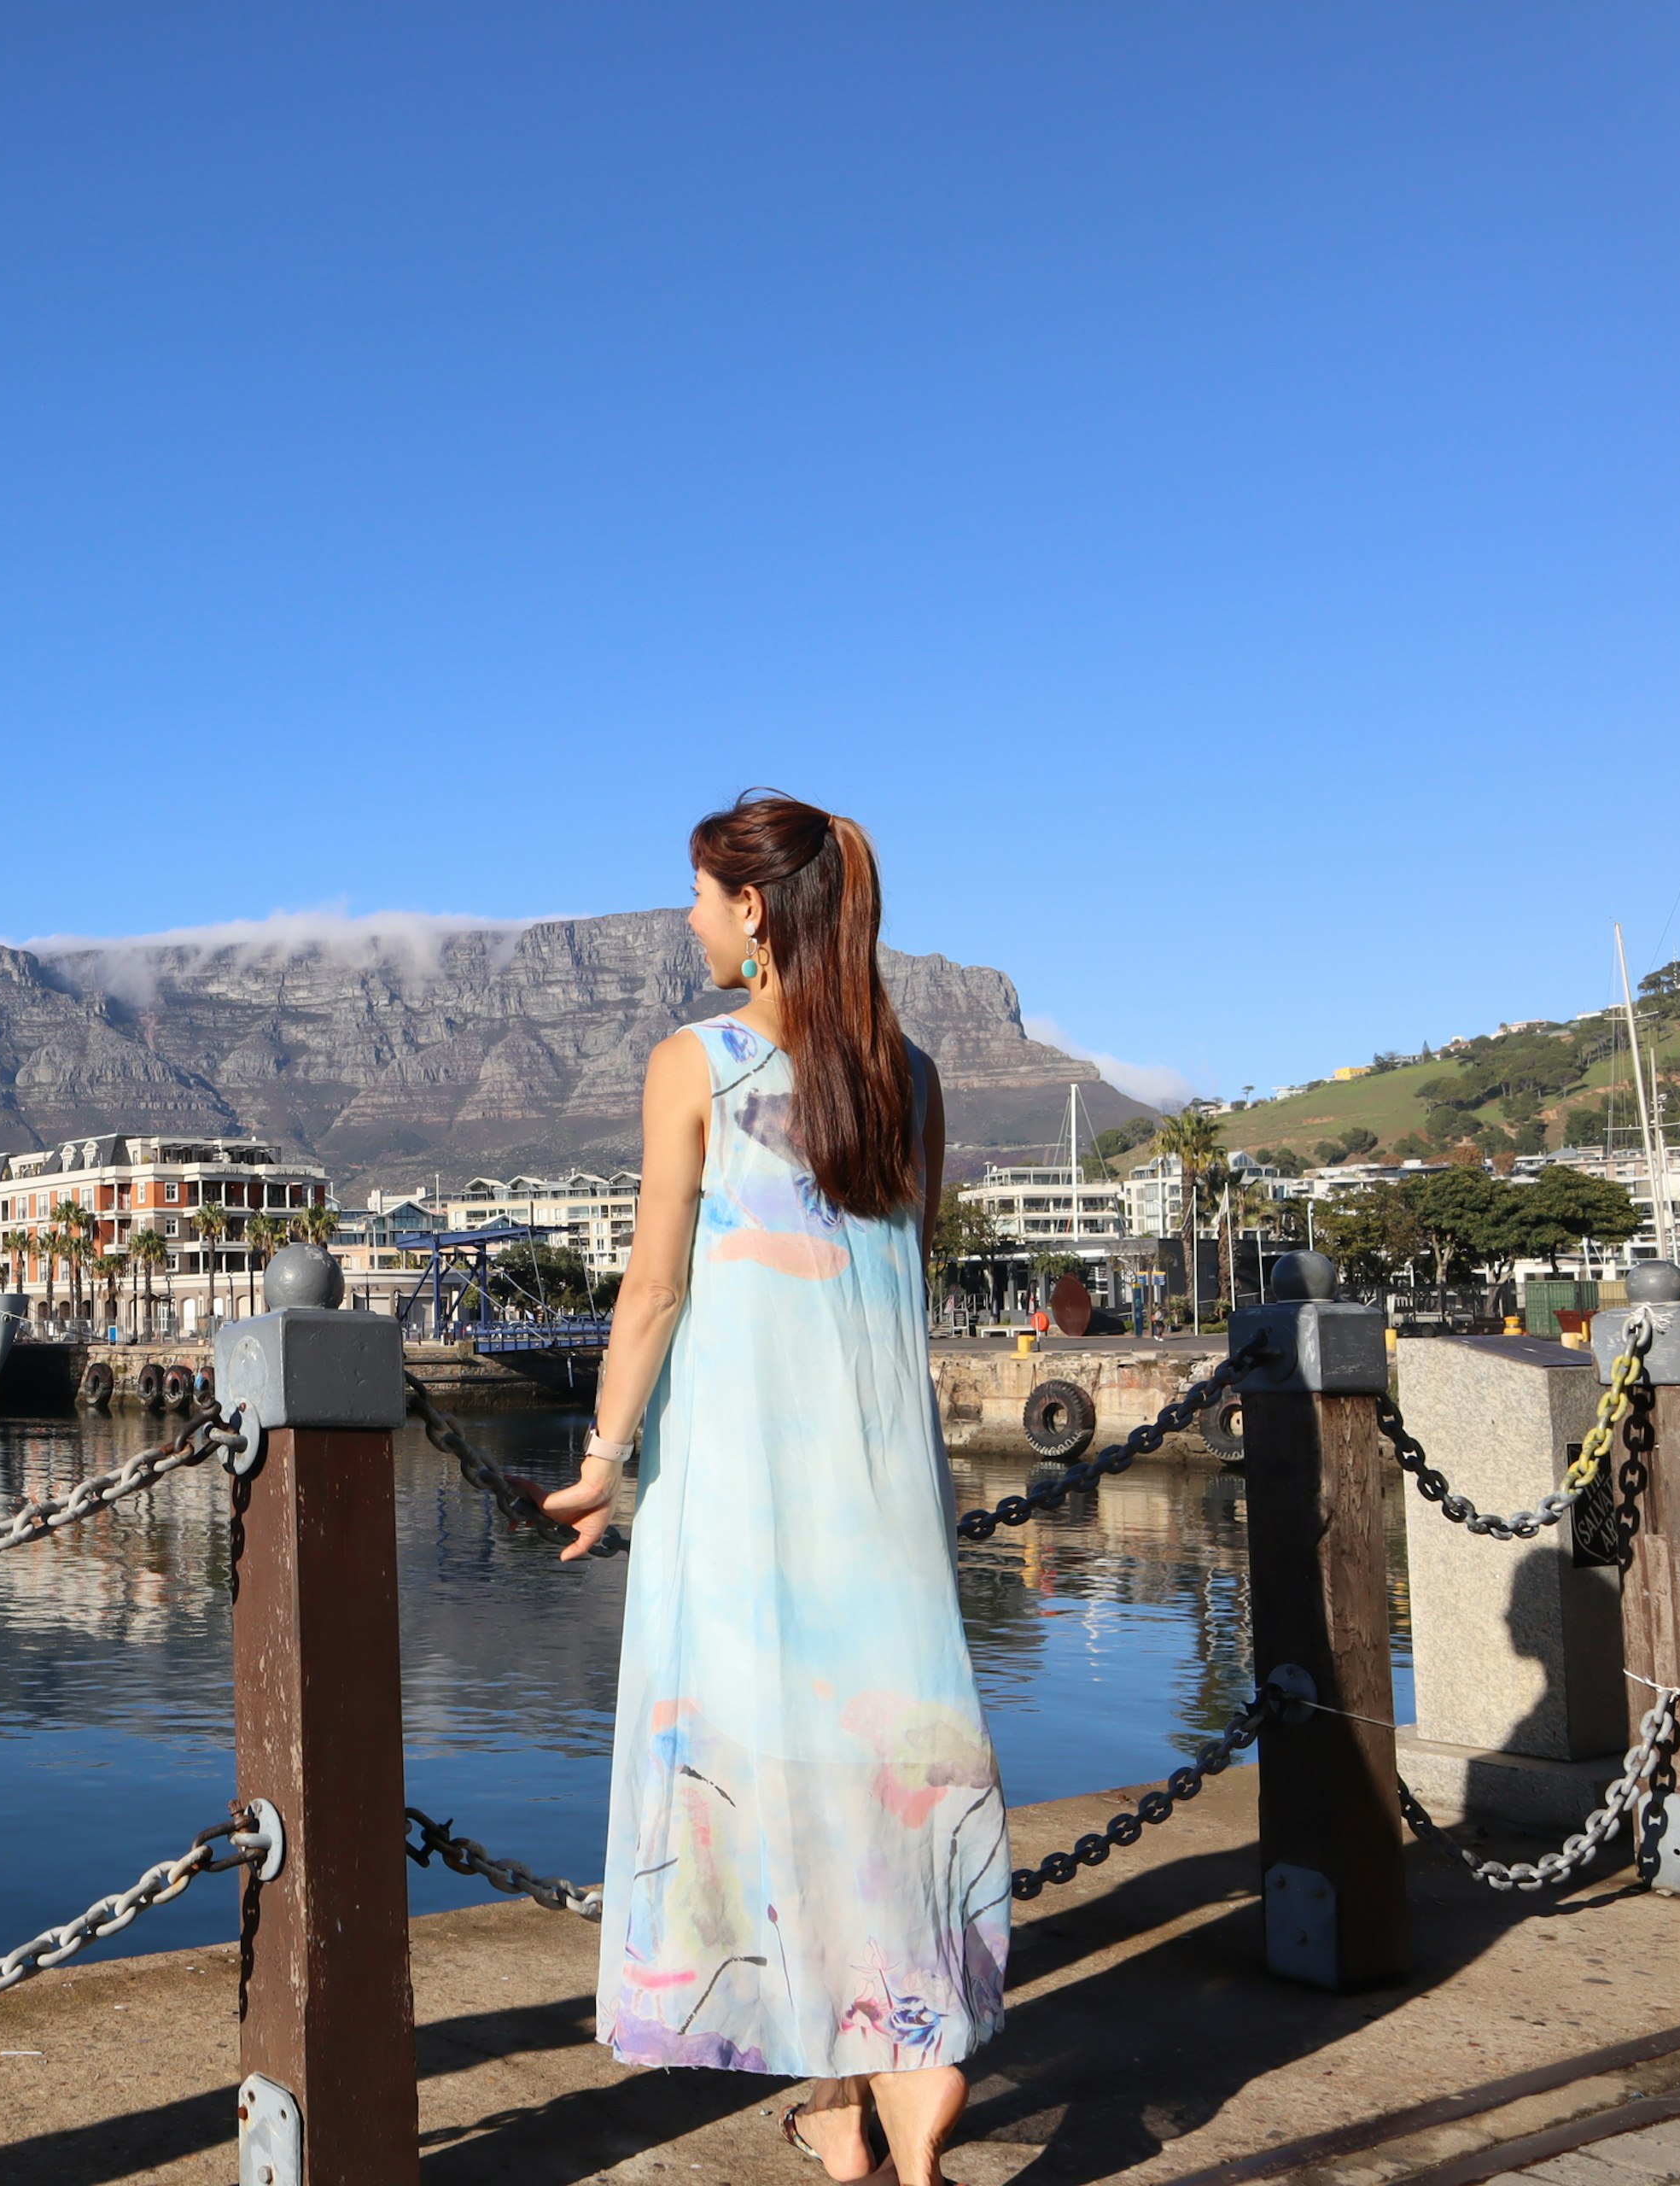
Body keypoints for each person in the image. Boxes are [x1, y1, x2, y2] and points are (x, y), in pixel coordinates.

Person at [535, 792, 1006, 2186]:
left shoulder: (700, 1063)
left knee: (771, 1783)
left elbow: (655, 1288)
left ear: (753, 910)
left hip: (742, 1490)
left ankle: (844, 2116)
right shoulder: (911, 1076)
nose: (686, 918)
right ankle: (896, 2124)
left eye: (698, 894)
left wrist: (604, 1462)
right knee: (884, 1775)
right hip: (882, 1487)